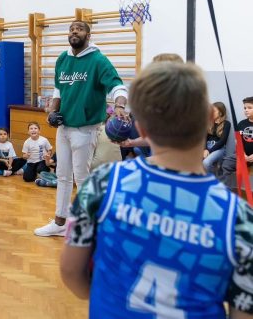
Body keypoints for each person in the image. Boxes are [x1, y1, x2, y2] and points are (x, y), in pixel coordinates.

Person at [60, 61, 253, 318]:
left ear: (140, 128)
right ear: (210, 116)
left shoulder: (103, 184)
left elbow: (72, 272)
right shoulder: (239, 218)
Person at [35, 21, 128, 237]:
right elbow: (58, 90)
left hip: (85, 129)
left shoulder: (98, 60)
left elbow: (117, 85)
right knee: (62, 175)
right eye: (71, 28)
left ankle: (88, 226)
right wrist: (51, 111)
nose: (74, 31)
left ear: (88, 34)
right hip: (64, 128)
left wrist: (120, 105)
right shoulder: (63, 58)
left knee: (82, 177)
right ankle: (60, 221)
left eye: (79, 28)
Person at [219, 97, 253, 191]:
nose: (246, 110)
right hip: (242, 155)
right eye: (245, 108)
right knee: (225, 164)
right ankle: (227, 193)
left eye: (249, 108)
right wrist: (242, 154)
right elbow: (237, 141)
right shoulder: (241, 124)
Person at [203, 101, 231, 173]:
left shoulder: (226, 124)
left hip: (219, 149)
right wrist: (205, 149)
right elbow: (204, 138)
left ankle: (211, 181)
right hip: (207, 148)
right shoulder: (208, 122)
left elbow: (223, 141)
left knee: (206, 163)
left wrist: (209, 151)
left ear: (220, 112)